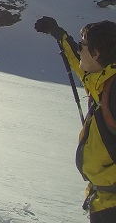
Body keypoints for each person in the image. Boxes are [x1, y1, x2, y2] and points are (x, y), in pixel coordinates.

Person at [36, 17, 116, 221]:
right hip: (103, 199)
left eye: (83, 45)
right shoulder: (101, 80)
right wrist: (59, 34)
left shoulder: (113, 92)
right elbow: (76, 59)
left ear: (96, 53)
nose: (79, 50)